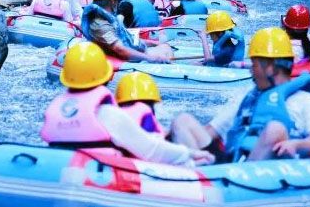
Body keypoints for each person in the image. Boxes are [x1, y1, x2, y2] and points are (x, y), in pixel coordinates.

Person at [170, 27, 310, 163]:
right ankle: (195, 176)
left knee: (275, 130)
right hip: (230, 162)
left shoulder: (307, 101)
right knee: (182, 121)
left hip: (261, 171)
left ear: (271, 68)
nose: (251, 71)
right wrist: (168, 139)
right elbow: (211, 131)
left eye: (255, 65)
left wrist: (295, 145)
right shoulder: (248, 97)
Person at [41, 42, 213, 166]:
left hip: (62, 169)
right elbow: (151, 150)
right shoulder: (107, 114)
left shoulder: (55, 109)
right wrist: (190, 154)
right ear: (106, 77)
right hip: (103, 174)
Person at [81, 0, 173, 63]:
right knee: (165, 49)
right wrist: (150, 58)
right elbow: (120, 49)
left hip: (132, 51)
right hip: (127, 59)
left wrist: (153, 43)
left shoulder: (108, 19)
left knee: (164, 46)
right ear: (113, 1)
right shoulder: (100, 25)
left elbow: (128, 40)